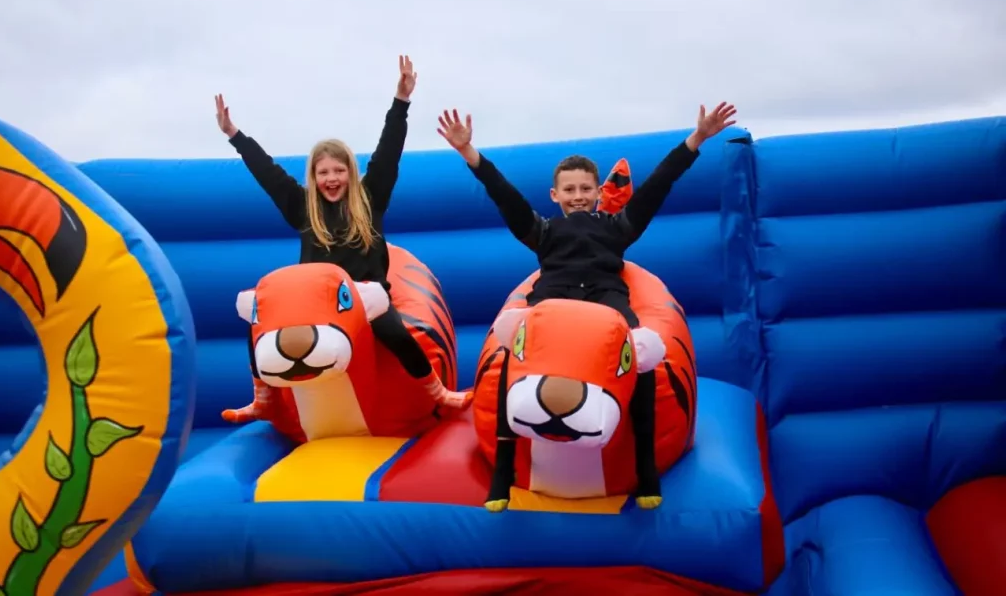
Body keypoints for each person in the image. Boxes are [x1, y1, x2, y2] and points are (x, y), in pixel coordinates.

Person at [437, 101, 737, 502]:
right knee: (513, 349)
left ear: (598, 192)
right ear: (555, 194)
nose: (577, 196)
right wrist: (469, 154)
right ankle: (504, 469)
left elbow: (656, 188)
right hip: (552, 310)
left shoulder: (616, 228)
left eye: (584, 189)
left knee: (643, 356)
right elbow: (505, 197)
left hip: (606, 308)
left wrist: (696, 139)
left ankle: (645, 466)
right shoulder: (543, 233)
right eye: (569, 190)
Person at [216, 55, 471, 425]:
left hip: (364, 296)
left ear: (350, 172)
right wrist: (234, 135)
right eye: (323, 172)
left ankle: (437, 392)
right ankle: (263, 399)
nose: (331, 178)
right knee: (258, 319)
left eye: (339, 170)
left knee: (393, 331)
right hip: (314, 303)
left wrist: (401, 101)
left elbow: (389, 153)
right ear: (314, 176)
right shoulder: (303, 209)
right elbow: (267, 172)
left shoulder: (369, 200)